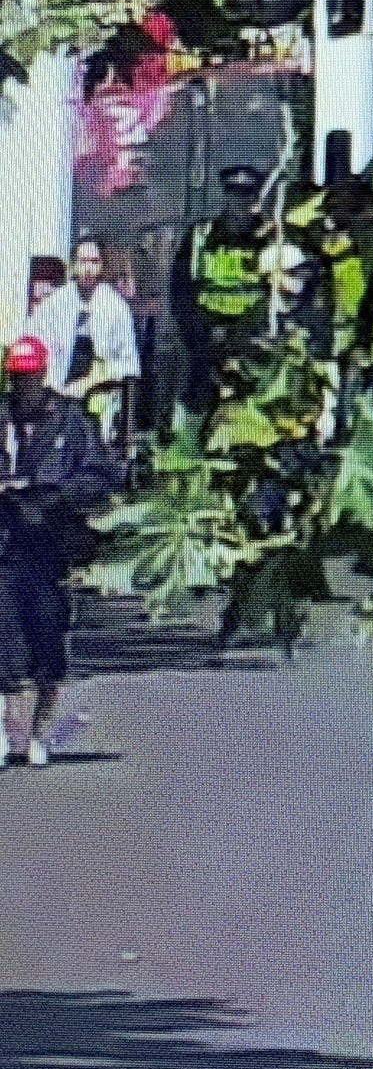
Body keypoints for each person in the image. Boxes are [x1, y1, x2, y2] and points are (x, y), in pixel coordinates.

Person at [0, 338, 119, 764]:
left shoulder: (70, 420)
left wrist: (56, 495)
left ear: (43, 376)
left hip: (50, 550)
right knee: (8, 647)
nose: (22, 386)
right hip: (6, 547)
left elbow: (104, 474)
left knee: (48, 648)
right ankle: (10, 737)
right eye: (16, 378)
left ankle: (38, 735)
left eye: (29, 378)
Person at [173, 163, 272, 413]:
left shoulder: (272, 242)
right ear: (226, 196)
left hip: (254, 346)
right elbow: (181, 294)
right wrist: (199, 339)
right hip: (208, 343)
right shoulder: (200, 237)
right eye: (235, 196)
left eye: (247, 197)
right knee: (202, 413)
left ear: (256, 199)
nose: (241, 204)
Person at [28, 235, 140, 434]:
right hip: (54, 398)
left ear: (103, 266)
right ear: (73, 265)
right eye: (83, 261)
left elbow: (128, 365)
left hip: (99, 399)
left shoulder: (116, 309)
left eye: (94, 262)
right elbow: (35, 348)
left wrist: (95, 380)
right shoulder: (54, 305)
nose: (88, 269)